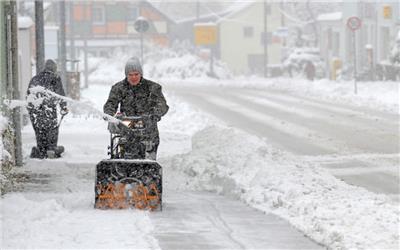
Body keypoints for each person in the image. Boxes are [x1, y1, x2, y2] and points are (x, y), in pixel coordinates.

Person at [103, 57, 169, 160]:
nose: (133, 77)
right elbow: (111, 103)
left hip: (147, 126)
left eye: (136, 74)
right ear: (126, 75)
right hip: (127, 124)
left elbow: (162, 105)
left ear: (141, 74)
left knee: (149, 155)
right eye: (130, 75)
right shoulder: (119, 88)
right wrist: (109, 115)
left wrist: (154, 115)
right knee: (125, 146)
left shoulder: (152, 87)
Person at [26, 59, 68, 158]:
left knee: (39, 130)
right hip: (49, 110)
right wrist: (64, 107)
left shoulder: (35, 78)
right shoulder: (55, 78)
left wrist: (31, 110)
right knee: (52, 129)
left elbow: (29, 95)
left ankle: (41, 150)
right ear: (54, 68)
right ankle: (51, 149)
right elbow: (60, 94)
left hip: (35, 111)